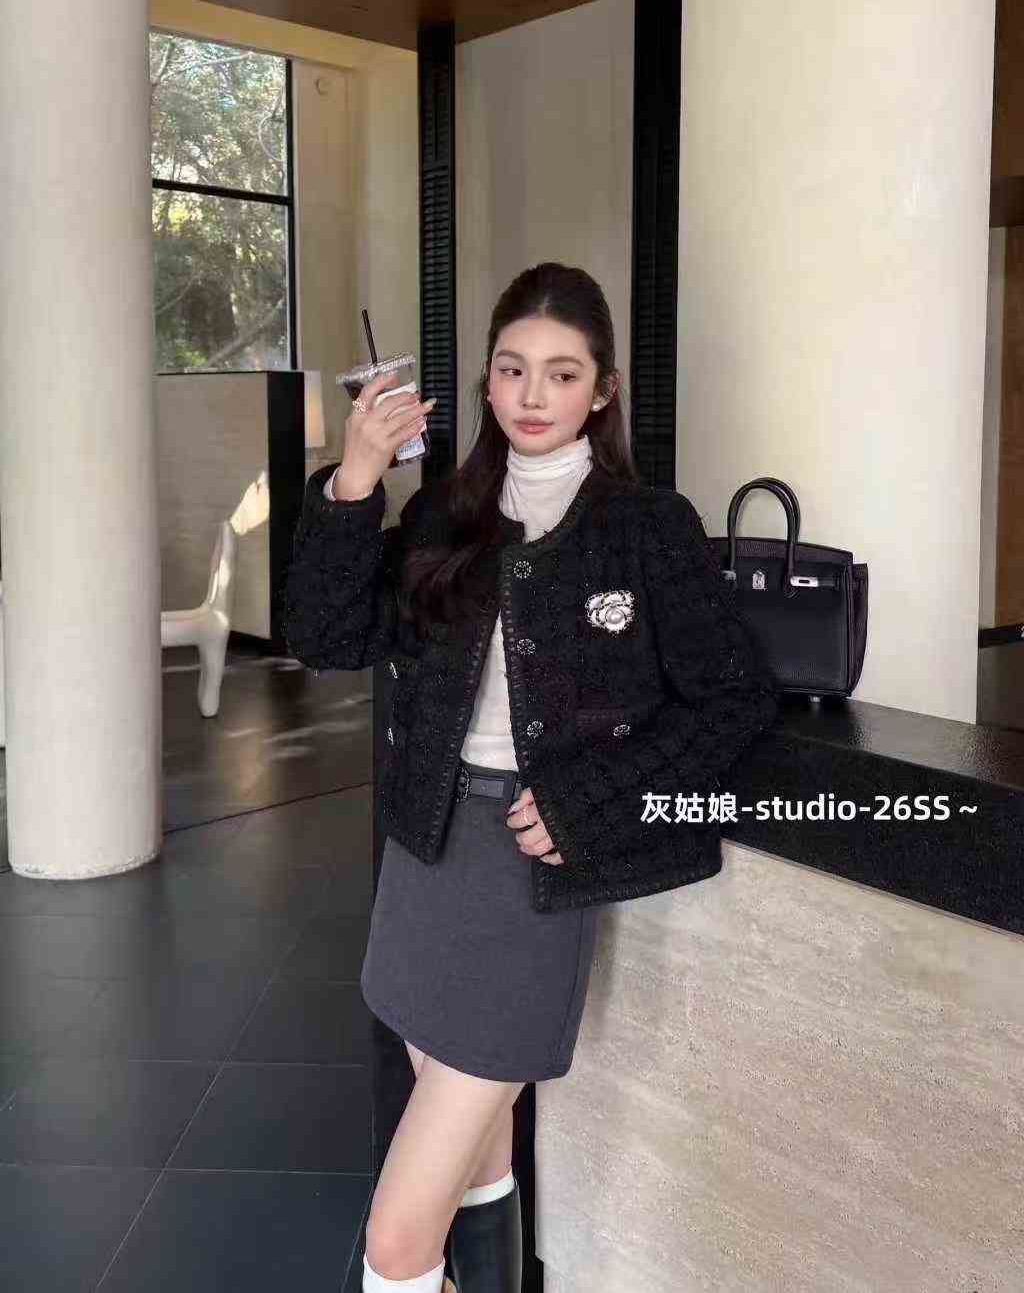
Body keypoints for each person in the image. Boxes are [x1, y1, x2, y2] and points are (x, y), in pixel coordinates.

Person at [280, 263, 779, 1293]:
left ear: (602, 390)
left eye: (562, 372)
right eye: (512, 369)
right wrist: (354, 481)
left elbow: (733, 699)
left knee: (396, 1240)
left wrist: (594, 801)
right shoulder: (445, 515)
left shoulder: (646, 528)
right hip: (424, 856)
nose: (533, 394)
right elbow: (326, 636)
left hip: (530, 878)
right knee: (481, 1155)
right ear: (488, 382)